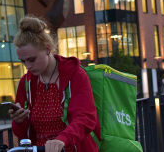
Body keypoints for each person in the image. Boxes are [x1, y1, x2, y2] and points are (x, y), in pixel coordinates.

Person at [9, 15, 100, 152]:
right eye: (23, 61)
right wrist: (19, 121)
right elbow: (23, 135)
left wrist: (62, 140)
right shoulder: (26, 83)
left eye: (31, 59)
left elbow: (85, 118)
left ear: (47, 49)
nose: (27, 66)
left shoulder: (75, 75)